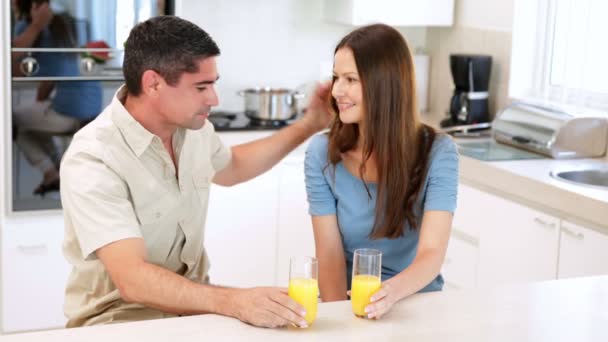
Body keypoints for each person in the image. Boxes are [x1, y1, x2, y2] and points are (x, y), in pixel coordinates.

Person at [60, 15, 330, 328]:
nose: (213, 99)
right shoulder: (94, 158)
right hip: (119, 320)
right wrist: (234, 301)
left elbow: (234, 166)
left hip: (193, 312)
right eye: (201, 87)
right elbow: (132, 280)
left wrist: (309, 124)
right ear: (154, 83)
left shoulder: (193, 130)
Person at [304, 24, 459, 319]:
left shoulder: (439, 152)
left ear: (384, 85)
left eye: (350, 79)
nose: (337, 91)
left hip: (416, 304)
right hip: (351, 304)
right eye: (336, 77)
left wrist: (388, 295)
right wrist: (342, 321)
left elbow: (431, 254)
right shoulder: (321, 154)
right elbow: (330, 255)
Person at [12, 0, 103, 195]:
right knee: (32, 123)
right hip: (94, 111)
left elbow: (11, 62)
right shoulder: (69, 27)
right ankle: (58, 171)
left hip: (70, 113)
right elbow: (55, 74)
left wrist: (36, 26)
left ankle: (51, 172)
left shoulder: (30, 27)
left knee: (11, 122)